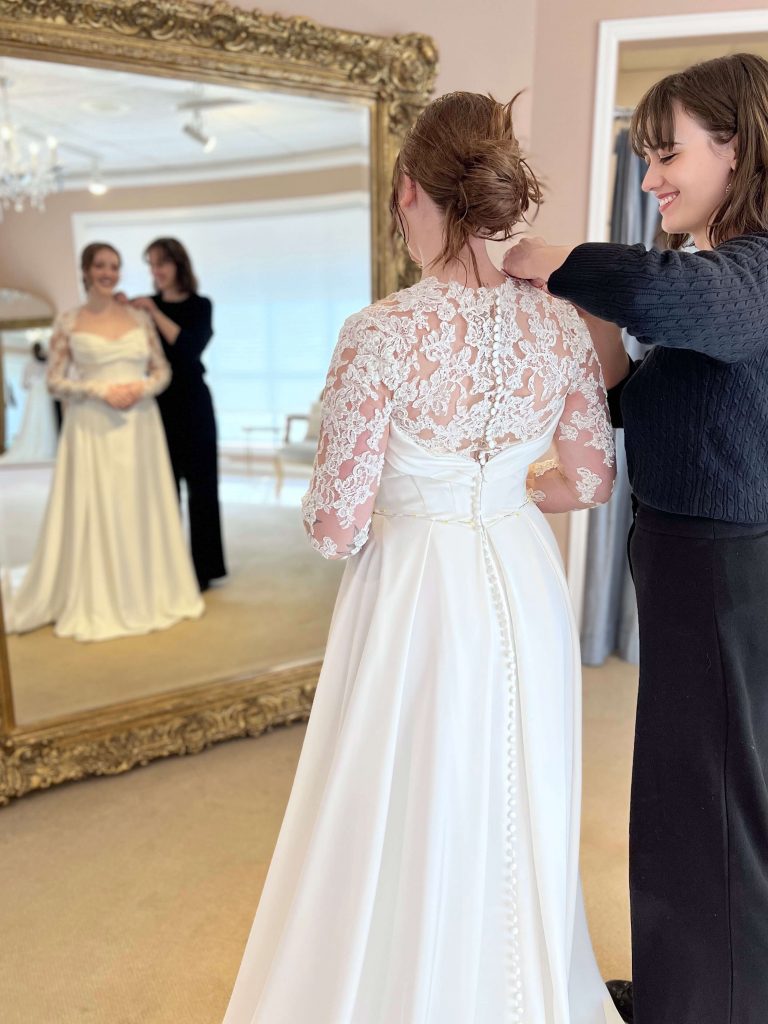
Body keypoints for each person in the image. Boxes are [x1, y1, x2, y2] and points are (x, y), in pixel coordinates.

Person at [223, 92, 620, 1024]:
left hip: (416, 589)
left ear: (410, 190)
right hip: (523, 578)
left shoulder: (381, 333)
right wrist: (508, 493)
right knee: (517, 778)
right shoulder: (558, 324)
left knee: (407, 790)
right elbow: (590, 480)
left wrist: (410, 506)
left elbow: (334, 526)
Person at [503, 52, 768, 1024]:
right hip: (691, 556)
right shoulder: (720, 273)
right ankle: (681, 990)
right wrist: (597, 333)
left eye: (668, 155)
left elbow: (677, 302)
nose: (651, 177)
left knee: (718, 802)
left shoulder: (753, 269)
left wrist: (564, 259)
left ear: (737, 149)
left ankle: (712, 1007)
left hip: (727, 565)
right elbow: (644, 401)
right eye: (645, 158)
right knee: (683, 792)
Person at [3, 242, 204, 642]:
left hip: (139, 424)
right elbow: (54, 379)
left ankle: (147, 589)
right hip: (91, 425)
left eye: (114, 266)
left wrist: (141, 388)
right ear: (85, 269)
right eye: (100, 265)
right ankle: (96, 593)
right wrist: (99, 390)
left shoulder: (138, 318)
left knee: (138, 503)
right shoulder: (67, 321)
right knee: (98, 505)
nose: (108, 273)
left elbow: (162, 370)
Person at [129, 238, 226, 592]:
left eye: (162, 263)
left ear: (178, 265)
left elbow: (188, 348)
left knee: (202, 490)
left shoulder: (200, 305)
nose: (157, 272)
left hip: (195, 405)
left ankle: (204, 570)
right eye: (152, 264)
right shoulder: (140, 308)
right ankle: (166, 567)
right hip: (157, 406)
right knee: (162, 489)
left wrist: (154, 313)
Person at [0, 340, 58, 463]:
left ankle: (47, 446)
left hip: (45, 398)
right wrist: (35, 383)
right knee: (34, 419)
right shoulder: (30, 365)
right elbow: (24, 384)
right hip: (36, 398)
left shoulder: (47, 364)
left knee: (46, 420)